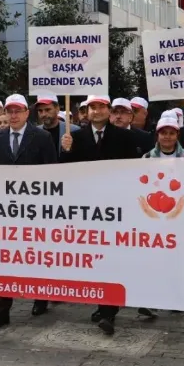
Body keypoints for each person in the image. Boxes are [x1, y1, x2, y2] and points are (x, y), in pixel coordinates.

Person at [61, 94, 141, 335]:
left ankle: (108, 311)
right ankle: (102, 304)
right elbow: (64, 173)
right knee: (94, 259)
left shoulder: (124, 136)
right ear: (87, 111)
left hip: (115, 208)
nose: (96, 111)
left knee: (111, 258)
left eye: (101, 107)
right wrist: (65, 151)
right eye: (92, 107)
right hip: (86, 210)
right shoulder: (74, 137)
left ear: (108, 109)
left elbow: (134, 170)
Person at [0, 94, 58, 327]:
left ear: (27, 113)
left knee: (36, 256)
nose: (14, 115)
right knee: (3, 259)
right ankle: (2, 309)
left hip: (34, 210)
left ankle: (40, 297)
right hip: (4, 210)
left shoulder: (42, 137)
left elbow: (52, 173)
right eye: (10, 111)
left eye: (18, 111)